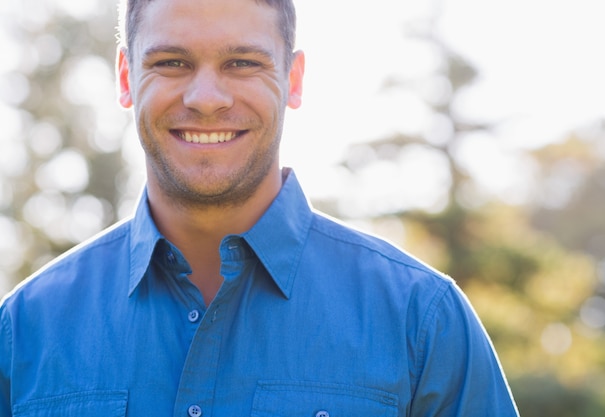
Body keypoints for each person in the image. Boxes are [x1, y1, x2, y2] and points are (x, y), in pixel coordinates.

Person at [0, 0, 519, 415]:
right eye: (172, 63)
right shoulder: (23, 331)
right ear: (125, 76)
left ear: (293, 80)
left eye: (242, 63)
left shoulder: (421, 320)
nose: (207, 98)